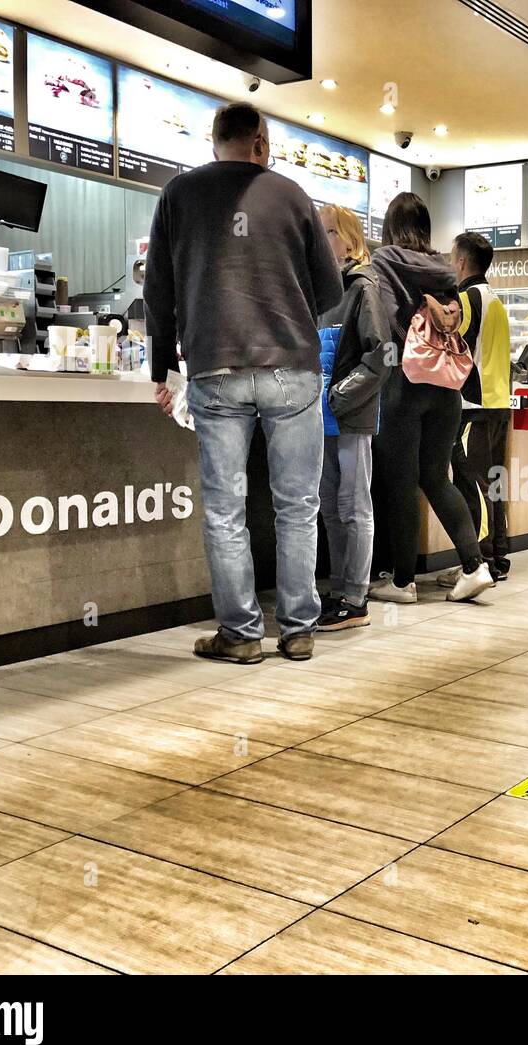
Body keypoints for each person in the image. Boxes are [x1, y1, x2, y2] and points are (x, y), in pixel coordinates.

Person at [146, 102, 342, 665]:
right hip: (292, 369)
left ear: (214, 142)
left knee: (225, 508)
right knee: (298, 505)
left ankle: (241, 634)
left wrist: (162, 368)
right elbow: (330, 292)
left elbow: (157, 292)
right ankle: (300, 628)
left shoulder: (177, 196)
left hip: (215, 367)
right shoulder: (292, 195)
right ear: (260, 143)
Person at [368, 193, 495, 605]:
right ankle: (475, 567)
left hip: (404, 383)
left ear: (389, 225)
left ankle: (403, 581)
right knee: (437, 477)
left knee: (401, 484)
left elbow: (383, 320)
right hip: (446, 387)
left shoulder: (385, 260)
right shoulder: (443, 266)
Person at [316, 205, 390, 629]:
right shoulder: (324, 292)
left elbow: (380, 357)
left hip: (350, 416)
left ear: (350, 238)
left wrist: (338, 397)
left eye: (330, 232)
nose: (323, 240)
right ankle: (340, 589)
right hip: (321, 416)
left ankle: (355, 597)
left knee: (354, 505)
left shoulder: (364, 289)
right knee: (330, 505)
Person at [441, 231, 514, 588]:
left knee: (473, 483)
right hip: (499, 403)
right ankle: (498, 555)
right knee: (493, 482)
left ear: (461, 261)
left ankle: (480, 561)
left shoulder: (468, 298)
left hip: (474, 404)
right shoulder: (496, 299)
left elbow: (452, 341)